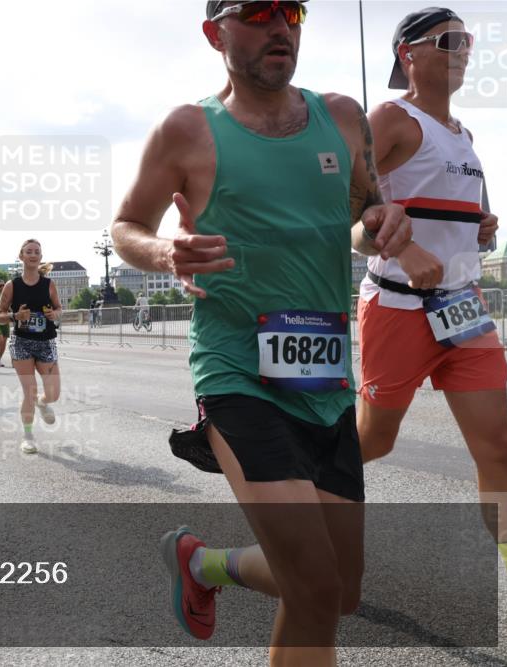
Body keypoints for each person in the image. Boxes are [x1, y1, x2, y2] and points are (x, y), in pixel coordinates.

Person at [110, 0, 412, 660]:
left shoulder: (341, 117)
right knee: (313, 586)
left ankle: (202, 565)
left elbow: (366, 212)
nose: (280, 25)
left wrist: (383, 224)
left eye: (292, 10)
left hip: (326, 377)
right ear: (215, 32)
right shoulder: (187, 130)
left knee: (341, 591)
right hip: (238, 371)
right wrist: (165, 252)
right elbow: (125, 226)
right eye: (257, 11)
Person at [357, 6, 507, 599]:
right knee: (374, 441)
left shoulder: (464, 134)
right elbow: (344, 205)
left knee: (502, 448)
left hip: (464, 308)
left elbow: (453, 206)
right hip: (399, 307)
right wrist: (399, 244)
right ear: (409, 54)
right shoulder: (391, 118)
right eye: (449, 40)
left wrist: (479, 224)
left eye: (467, 41)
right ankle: (302, 494)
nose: (464, 50)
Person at [0, 240, 62, 454]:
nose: (33, 255)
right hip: (22, 342)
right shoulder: (12, 285)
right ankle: (28, 436)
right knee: (29, 391)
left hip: (46, 342)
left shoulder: (49, 284)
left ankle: (44, 403)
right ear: (21, 256)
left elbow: (59, 308)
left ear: (40, 257)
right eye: (29, 251)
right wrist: (15, 316)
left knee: (53, 394)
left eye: (37, 252)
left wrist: (54, 314)